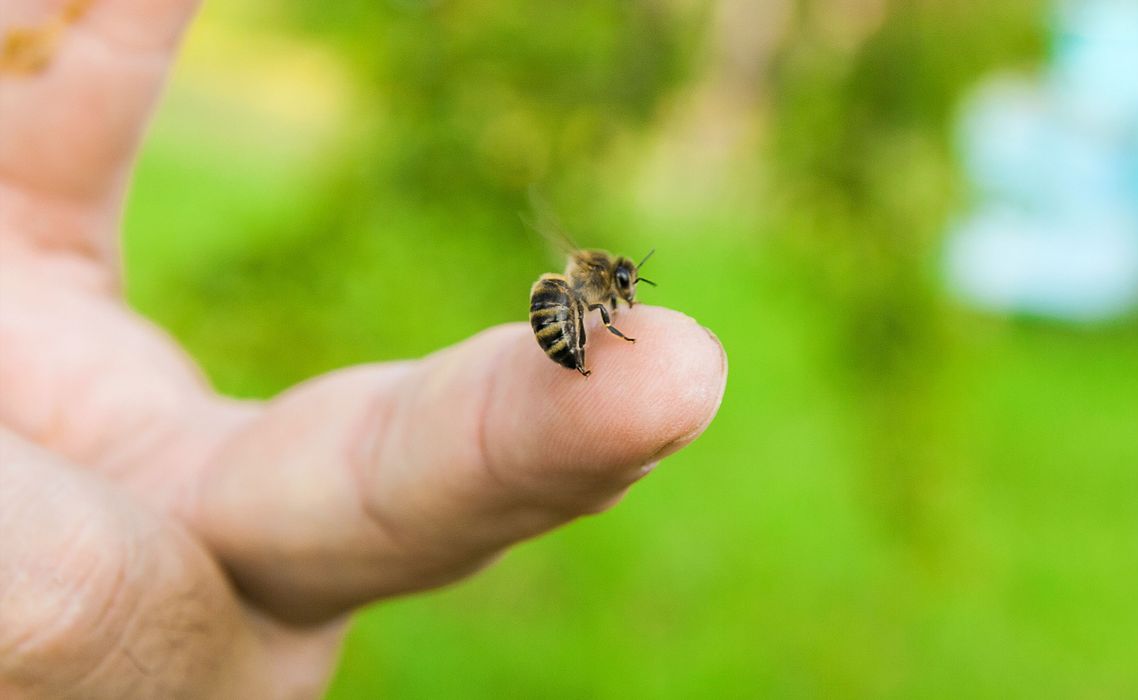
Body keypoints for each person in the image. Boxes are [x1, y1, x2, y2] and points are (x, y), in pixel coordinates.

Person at [0, 2, 727, 697]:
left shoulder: (595, 286)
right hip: (560, 319)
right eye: (623, 288)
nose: (626, 292)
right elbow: (586, 296)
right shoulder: (588, 285)